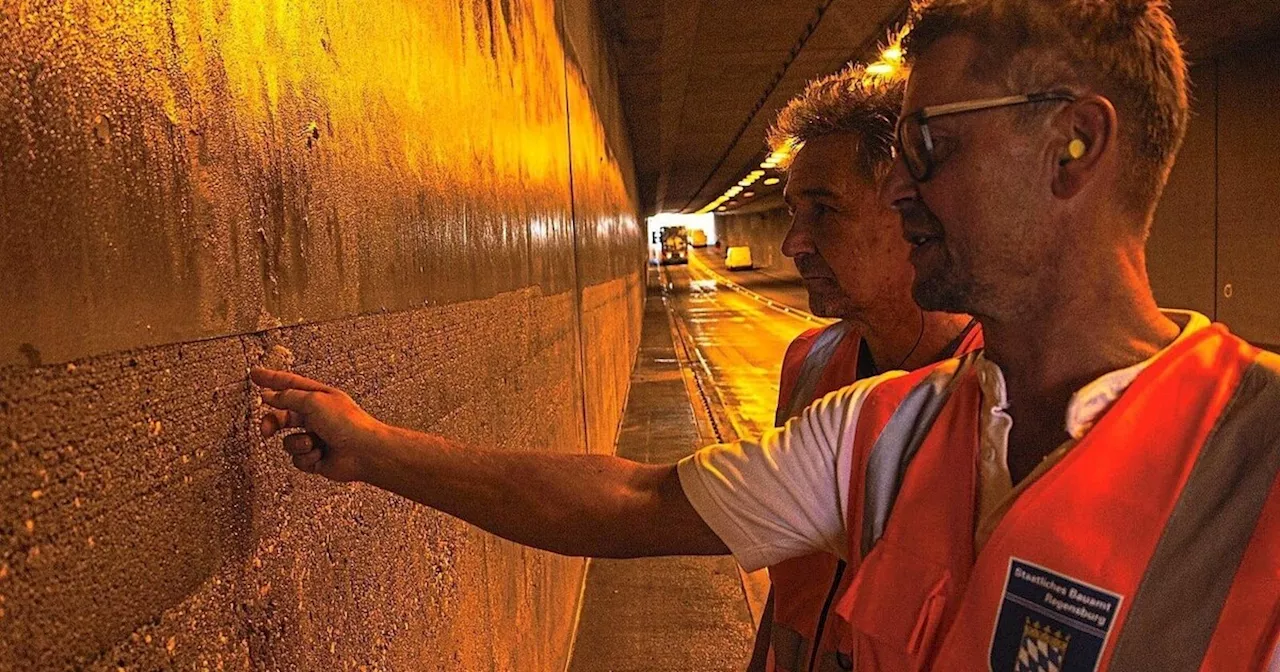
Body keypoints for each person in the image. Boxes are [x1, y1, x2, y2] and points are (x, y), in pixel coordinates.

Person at [252, 1, 1280, 669]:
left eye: (927, 144)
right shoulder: (883, 433)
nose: (903, 189)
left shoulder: (1259, 458)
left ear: (1073, 144)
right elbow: (631, 499)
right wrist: (376, 448)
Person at [752, 63, 980, 672]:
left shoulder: (999, 392)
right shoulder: (809, 361)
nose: (793, 244)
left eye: (823, 210)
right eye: (792, 211)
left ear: (914, 210)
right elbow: (791, 571)